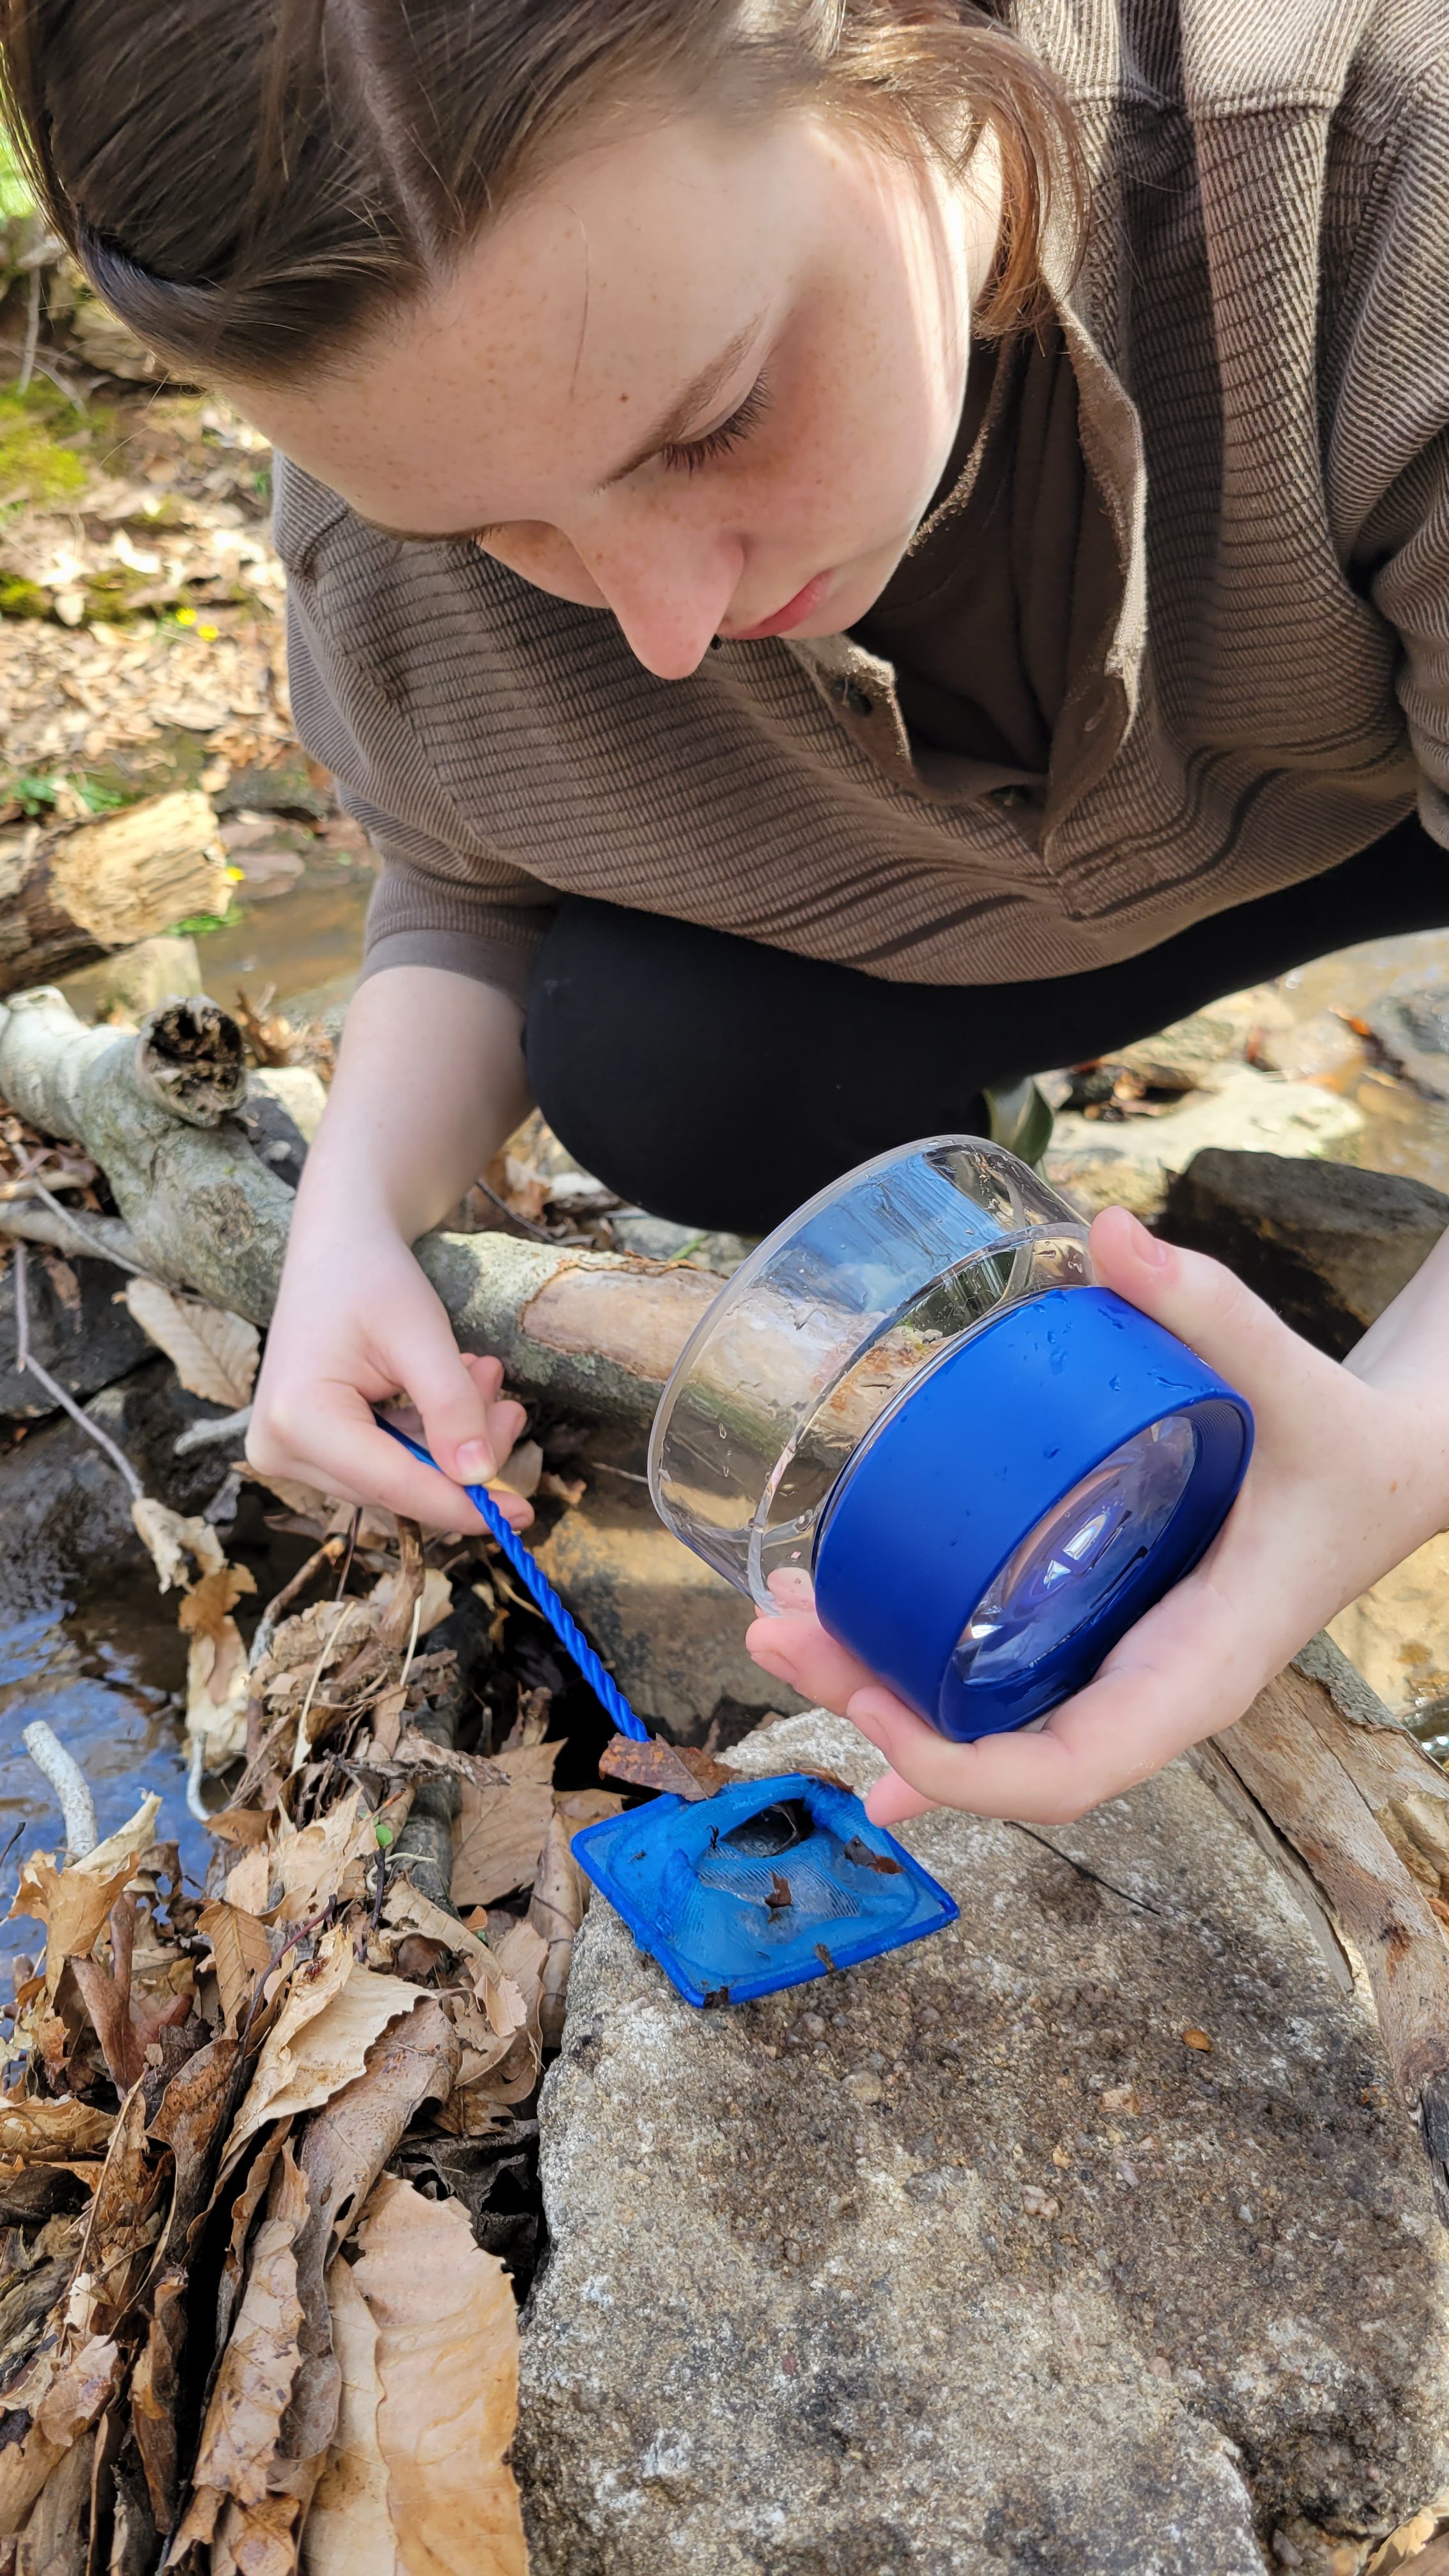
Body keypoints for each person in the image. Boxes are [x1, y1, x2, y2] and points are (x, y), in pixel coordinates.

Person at [8, 0, 1449, 1832]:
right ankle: (990, 1167)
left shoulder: (1378, 159)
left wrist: (1398, 1450)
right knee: (638, 1053)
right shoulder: (382, 516)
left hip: (1378, 809)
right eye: (492, 535)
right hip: (940, 937)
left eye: (716, 419)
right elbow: (465, 884)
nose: (666, 626)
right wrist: (350, 1226)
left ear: (908, 44)